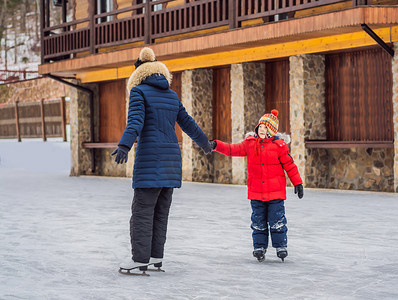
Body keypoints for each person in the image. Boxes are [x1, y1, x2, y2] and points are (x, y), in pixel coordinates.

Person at [111, 47, 213, 274]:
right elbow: (188, 123)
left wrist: (124, 145)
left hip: (150, 162)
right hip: (170, 164)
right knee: (160, 212)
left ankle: (139, 259)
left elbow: (135, 122)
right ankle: (156, 256)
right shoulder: (171, 95)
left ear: (138, 72)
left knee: (142, 213)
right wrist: (205, 144)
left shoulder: (139, 92)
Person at [210, 109, 303, 262]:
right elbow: (232, 149)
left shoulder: (279, 146)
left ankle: (281, 246)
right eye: (260, 126)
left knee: (277, 220)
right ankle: (259, 247)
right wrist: (216, 145)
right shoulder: (250, 144)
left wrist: (297, 183)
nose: (261, 129)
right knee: (258, 222)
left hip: (275, 193)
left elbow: (290, 165)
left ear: (271, 131)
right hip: (256, 193)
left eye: (265, 128)